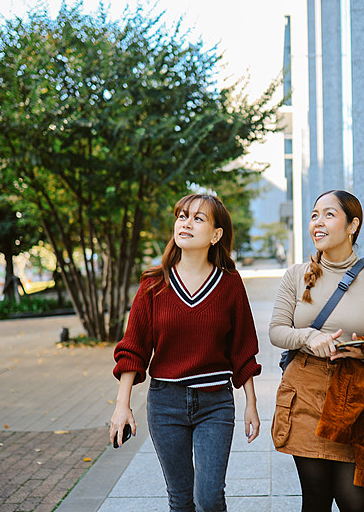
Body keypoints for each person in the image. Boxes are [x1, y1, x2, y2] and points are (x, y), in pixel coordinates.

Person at [110, 193, 262, 512]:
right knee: (180, 500)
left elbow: (243, 347)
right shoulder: (153, 285)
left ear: (216, 234)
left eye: (197, 218)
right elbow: (133, 348)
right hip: (165, 403)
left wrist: (251, 403)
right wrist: (121, 406)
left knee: (209, 498)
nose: (186, 223)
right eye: (182, 216)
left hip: (215, 402)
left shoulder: (230, 283)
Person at [269, 190, 364, 512]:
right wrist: (309, 337)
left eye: (329, 215)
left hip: (358, 399)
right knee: (316, 500)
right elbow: (276, 331)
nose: (318, 223)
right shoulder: (296, 275)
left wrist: (363, 350)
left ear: (353, 225)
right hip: (305, 392)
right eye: (314, 215)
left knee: (355, 501)